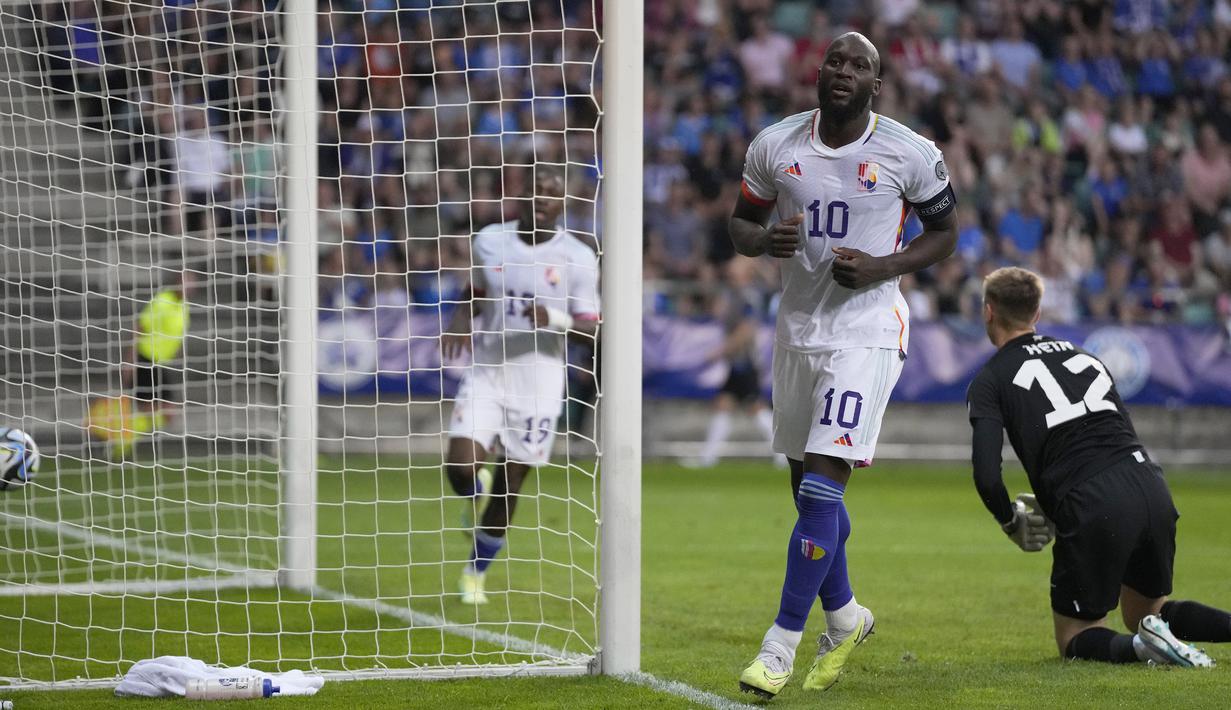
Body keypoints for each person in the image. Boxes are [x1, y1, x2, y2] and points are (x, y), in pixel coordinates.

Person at [728, 32, 958, 698]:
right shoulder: (775, 145)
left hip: (867, 330)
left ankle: (778, 648)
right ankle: (847, 617)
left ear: (875, 86)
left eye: (859, 66)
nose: (843, 71)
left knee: (822, 493)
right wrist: (761, 241)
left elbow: (945, 233)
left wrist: (885, 266)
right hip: (798, 331)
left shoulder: (909, 152)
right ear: (818, 70)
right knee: (808, 494)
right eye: (835, 60)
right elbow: (739, 225)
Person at [966, 266, 1229, 667]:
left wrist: (1009, 520)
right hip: (1148, 483)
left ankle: (1144, 649)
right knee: (1146, 612)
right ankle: (1174, 635)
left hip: (1092, 499)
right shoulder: (1084, 355)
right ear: (1037, 313)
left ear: (988, 311)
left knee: (1074, 635)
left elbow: (987, 475)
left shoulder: (990, 379)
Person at [441, 166, 600, 605]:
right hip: (489, 371)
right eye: (535, 189)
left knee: (510, 483)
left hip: (540, 384)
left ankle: (475, 572)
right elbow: (475, 293)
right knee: (460, 469)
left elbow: (594, 330)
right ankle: (473, 489)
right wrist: (459, 320)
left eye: (551, 192)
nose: (541, 197)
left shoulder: (577, 257)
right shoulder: (490, 240)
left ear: (563, 202)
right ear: (520, 194)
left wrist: (557, 318)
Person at [685, 257, 781, 469]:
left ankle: (781, 453)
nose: (729, 273)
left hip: (744, 362)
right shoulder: (734, 295)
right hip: (737, 362)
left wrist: (722, 350)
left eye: (734, 270)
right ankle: (707, 457)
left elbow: (747, 330)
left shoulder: (748, 297)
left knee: (754, 407)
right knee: (725, 404)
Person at [118, 268, 196, 457]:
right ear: (177, 282)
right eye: (185, 282)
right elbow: (139, 328)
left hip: (161, 363)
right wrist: (129, 361)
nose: (189, 286)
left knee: (161, 411)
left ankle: (125, 438)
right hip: (146, 359)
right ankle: (121, 439)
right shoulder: (162, 302)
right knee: (159, 409)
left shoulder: (184, 307)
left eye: (192, 283)